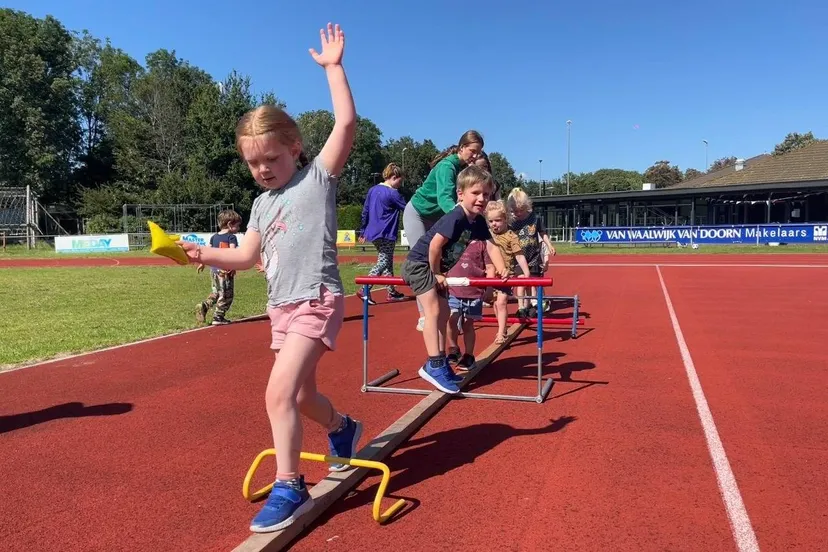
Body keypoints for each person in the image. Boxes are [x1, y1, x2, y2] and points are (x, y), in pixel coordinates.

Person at [177, 23, 360, 534]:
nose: (262, 169)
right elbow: (246, 256)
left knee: (278, 393)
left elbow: (345, 124)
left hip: (317, 300)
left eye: (271, 158)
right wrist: (204, 253)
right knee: (302, 397)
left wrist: (333, 68)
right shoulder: (259, 204)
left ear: (295, 148)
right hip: (281, 307)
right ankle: (343, 429)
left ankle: (289, 483)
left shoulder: (318, 178)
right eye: (252, 162)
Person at [400, 164, 507, 394]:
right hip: (420, 264)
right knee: (434, 312)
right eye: (475, 193)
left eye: (486, 194)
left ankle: (439, 363)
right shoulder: (456, 216)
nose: (481, 199)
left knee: (445, 312)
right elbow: (435, 246)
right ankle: (434, 364)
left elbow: (491, 245)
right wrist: (437, 272)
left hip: (433, 268)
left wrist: (502, 269)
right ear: (460, 194)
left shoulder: (477, 221)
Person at [402, 130, 484, 330]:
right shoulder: (447, 167)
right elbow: (444, 198)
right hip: (418, 213)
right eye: (472, 151)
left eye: (478, 153)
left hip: (436, 216)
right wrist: (460, 214)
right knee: (421, 261)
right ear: (462, 147)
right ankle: (423, 315)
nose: (475, 156)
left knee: (441, 256)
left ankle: (439, 303)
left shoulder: (462, 170)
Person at [356, 162, 407, 304]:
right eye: (400, 181)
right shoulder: (393, 193)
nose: (400, 184)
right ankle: (365, 288)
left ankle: (391, 292)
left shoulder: (372, 190)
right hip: (386, 232)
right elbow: (408, 208)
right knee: (383, 261)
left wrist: (362, 230)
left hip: (373, 232)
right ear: (394, 177)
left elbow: (365, 210)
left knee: (387, 261)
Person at [485, 200, 531, 344]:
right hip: (492, 276)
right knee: (495, 303)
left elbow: (519, 255)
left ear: (505, 219)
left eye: (498, 220)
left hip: (506, 276)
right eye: (491, 221)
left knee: (501, 302)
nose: (494, 224)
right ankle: (502, 327)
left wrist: (526, 272)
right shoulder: (487, 235)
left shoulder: (511, 236)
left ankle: (500, 332)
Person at [445, 239, 494, 371]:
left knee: (468, 323)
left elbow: (490, 267)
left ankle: (469, 355)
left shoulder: (482, 244)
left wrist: (489, 287)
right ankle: (453, 348)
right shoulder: (452, 241)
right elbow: (443, 263)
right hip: (453, 289)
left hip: (474, 291)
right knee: (451, 318)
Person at [506, 188, 556, 317]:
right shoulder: (511, 221)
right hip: (519, 257)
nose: (517, 214)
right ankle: (521, 307)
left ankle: (534, 303)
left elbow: (542, 233)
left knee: (533, 282)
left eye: (520, 211)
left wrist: (549, 245)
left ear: (527, 207)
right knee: (521, 282)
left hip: (533, 256)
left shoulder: (535, 218)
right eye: (514, 211)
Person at [196, 209, 242, 325]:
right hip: (225, 271)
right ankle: (218, 316)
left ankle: (205, 305)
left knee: (216, 292)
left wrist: (202, 263)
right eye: (237, 226)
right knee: (227, 295)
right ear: (230, 224)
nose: (238, 229)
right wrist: (234, 265)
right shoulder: (231, 237)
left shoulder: (214, 237)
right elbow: (232, 253)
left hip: (214, 270)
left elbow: (208, 252)